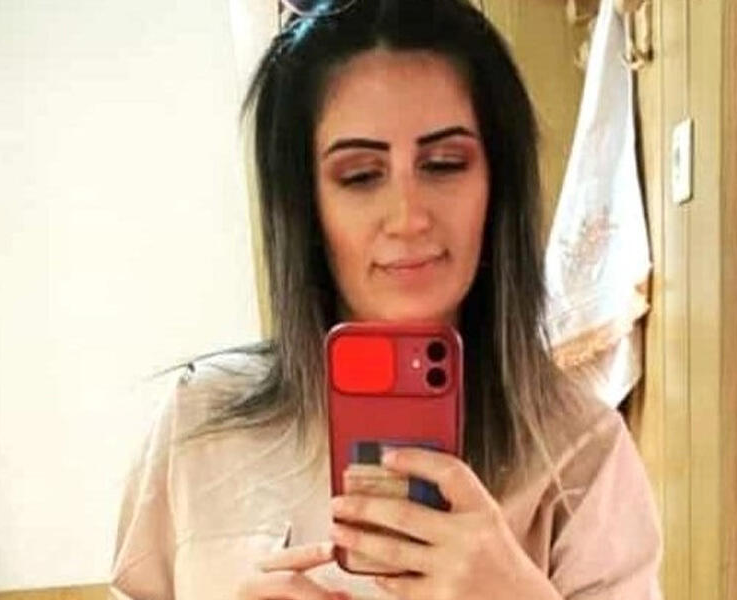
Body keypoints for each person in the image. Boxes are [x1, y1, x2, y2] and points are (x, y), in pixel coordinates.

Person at [109, 1, 662, 598]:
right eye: (360, 175)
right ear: (306, 206)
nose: (408, 217)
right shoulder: (199, 426)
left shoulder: (582, 452)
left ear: (496, 184)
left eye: (444, 164)